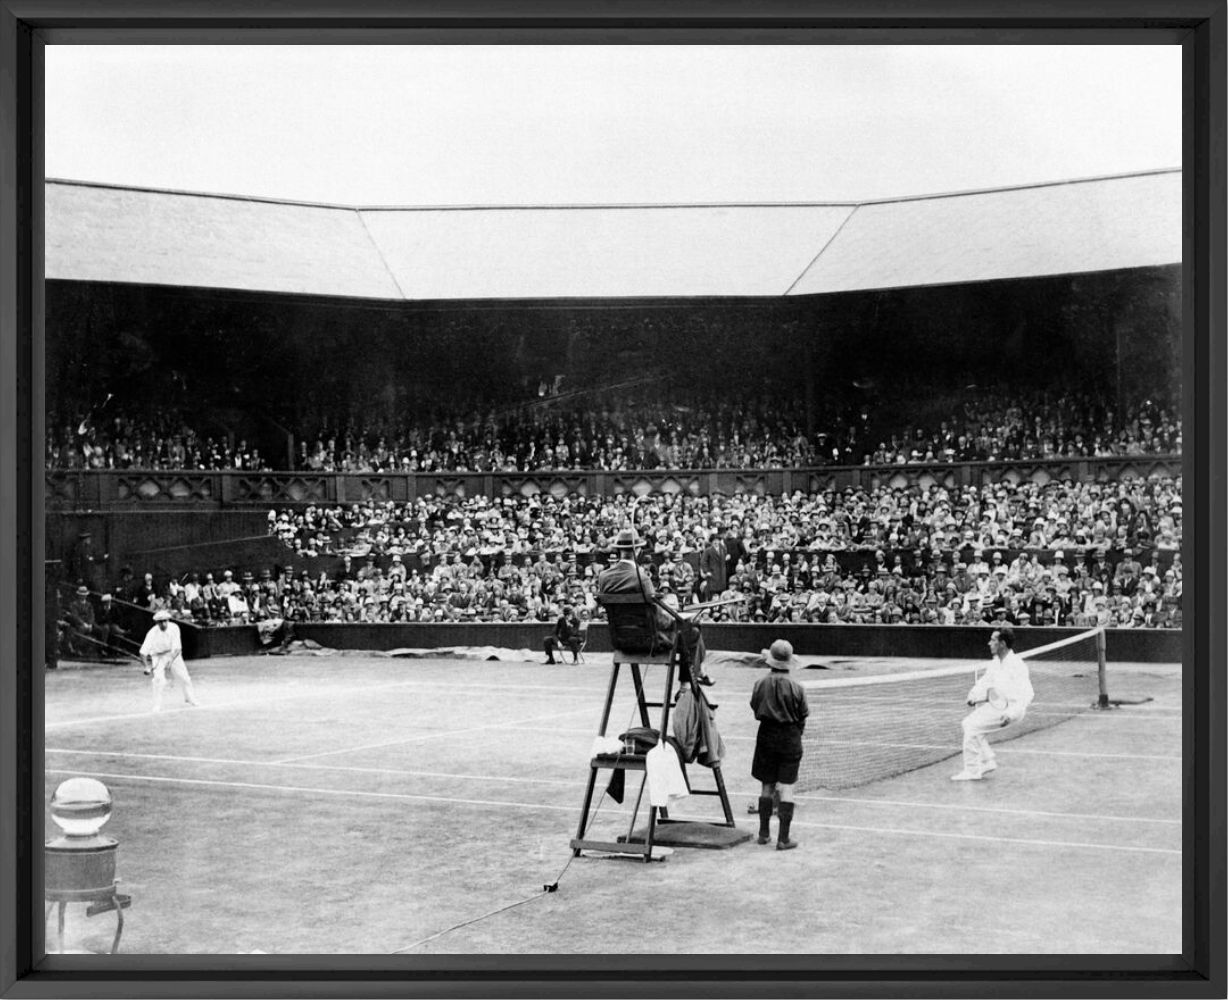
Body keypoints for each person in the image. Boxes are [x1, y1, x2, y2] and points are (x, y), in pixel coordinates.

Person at [596, 527, 713, 686]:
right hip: (649, 641)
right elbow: (657, 616)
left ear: (618, 551)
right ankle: (688, 682)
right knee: (692, 631)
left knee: (688, 629)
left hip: (621, 640)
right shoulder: (641, 577)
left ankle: (693, 678)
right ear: (637, 551)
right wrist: (674, 617)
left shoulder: (604, 577)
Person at [951, 624, 1034, 781]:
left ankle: (972, 771)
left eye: (993, 640)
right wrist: (974, 695)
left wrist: (1011, 714)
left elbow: (1027, 693)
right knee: (968, 724)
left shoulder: (1017, 665)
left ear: (1002, 644)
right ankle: (987, 761)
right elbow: (985, 682)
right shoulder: (996, 662)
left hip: (1011, 710)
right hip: (997, 706)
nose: (989, 643)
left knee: (971, 726)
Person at [750, 639, 810, 851]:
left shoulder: (760, 684)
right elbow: (803, 714)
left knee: (766, 784)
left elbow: (754, 707)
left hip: (766, 734)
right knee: (787, 788)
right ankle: (783, 838)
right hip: (790, 737)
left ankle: (763, 833)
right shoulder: (797, 687)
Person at [139, 609, 199, 712]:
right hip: (157, 657)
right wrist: (146, 666)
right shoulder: (152, 633)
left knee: (184, 677)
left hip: (173, 655)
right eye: (160, 622)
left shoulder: (175, 628)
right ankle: (157, 705)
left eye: (165, 621)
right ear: (156, 623)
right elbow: (143, 652)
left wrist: (170, 661)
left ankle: (190, 698)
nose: (163, 624)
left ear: (168, 620)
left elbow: (177, 648)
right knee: (158, 680)